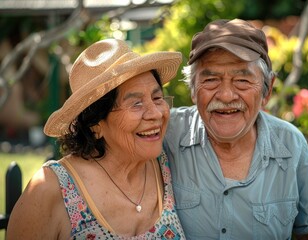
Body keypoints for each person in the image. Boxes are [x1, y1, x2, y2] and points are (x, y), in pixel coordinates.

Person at [164, 19, 308, 239]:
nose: (226, 95)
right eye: (211, 80)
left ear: (267, 90)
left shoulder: (291, 146)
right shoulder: (166, 134)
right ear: (194, 90)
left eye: (242, 80)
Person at [7, 39, 186, 239]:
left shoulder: (169, 166)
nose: (156, 113)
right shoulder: (51, 190)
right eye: (136, 104)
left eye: (157, 98)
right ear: (95, 124)